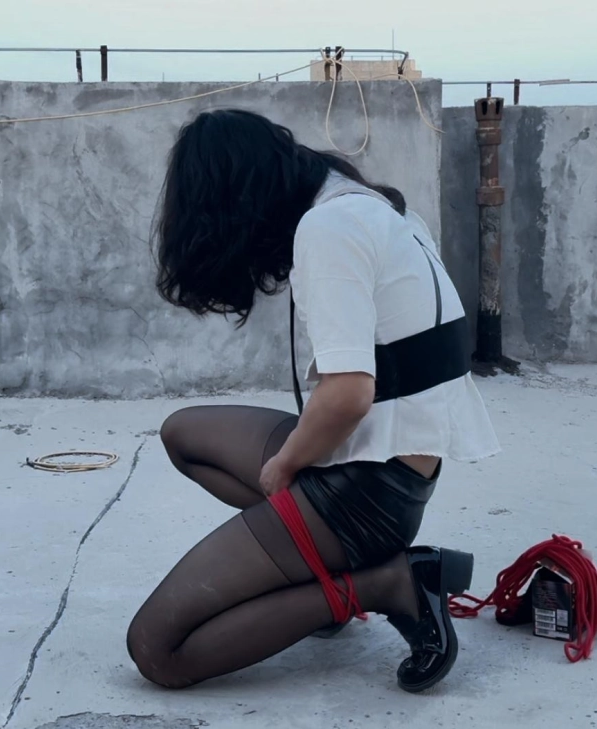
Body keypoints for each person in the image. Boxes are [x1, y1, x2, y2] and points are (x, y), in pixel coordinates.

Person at [126, 108, 501, 693]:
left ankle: (384, 583)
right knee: (183, 434)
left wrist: (287, 463)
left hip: (365, 494)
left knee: (158, 650)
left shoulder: (329, 228)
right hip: (389, 463)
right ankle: (318, 568)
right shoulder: (378, 209)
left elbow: (348, 395)